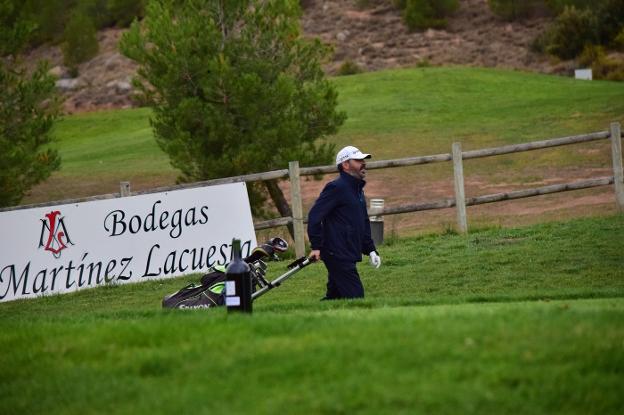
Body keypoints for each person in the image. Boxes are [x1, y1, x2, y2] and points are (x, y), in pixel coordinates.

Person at [307, 145, 381, 300]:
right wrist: (316, 246)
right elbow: (315, 216)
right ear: (345, 165)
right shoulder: (336, 188)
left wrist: (371, 250)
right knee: (356, 298)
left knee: (335, 298)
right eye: (358, 160)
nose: (363, 163)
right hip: (337, 253)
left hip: (348, 251)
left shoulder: (357, 189)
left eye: (363, 160)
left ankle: (311, 320)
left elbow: (363, 222)